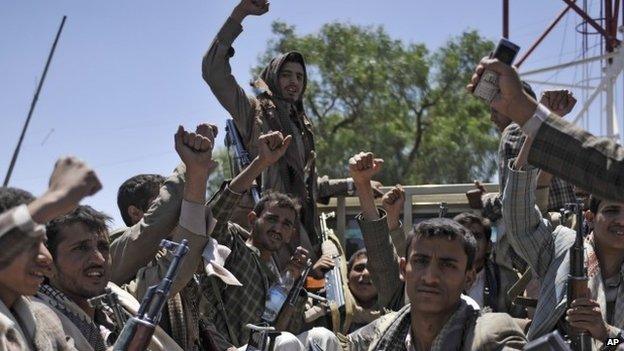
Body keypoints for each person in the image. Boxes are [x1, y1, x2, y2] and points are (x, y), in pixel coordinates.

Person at [202, 0, 381, 269]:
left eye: (299, 76)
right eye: (286, 75)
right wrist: (240, 15)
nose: (293, 82)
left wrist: (354, 185)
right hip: (263, 228)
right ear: (273, 77)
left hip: (296, 229)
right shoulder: (254, 112)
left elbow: (305, 188)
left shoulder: (302, 125)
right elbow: (214, 71)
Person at [34, 125, 219, 351]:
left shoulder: (120, 301)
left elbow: (180, 259)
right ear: (47, 261)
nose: (98, 258)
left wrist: (197, 173)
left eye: (103, 247)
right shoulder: (38, 322)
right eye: (81, 248)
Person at [345, 152, 526, 350]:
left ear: (469, 277)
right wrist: (363, 185)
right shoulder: (383, 331)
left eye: (447, 265)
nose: (430, 277)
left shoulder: (489, 334)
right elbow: (380, 253)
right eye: (421, 261)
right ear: (404, 268)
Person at [199, 131, 339, 350]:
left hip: (266, 345)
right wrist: (261, 162)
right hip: (229, 348)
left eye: (286, 224)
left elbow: (284, 326)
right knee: (287, 343)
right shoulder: (232, 248)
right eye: (272, 219)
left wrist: (294, 277)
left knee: (323, 337)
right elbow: (216, 213)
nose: (278, 228)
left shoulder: (278, 274)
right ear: (253, 219)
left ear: (292, 233)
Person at [503, 136, 624, 348]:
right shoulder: (561, 246)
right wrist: (535, 132)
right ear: (590, 218)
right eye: (611, 211)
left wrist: (605, 333)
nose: (621, 221)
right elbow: (518, 216)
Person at [467, 57, 624, 203]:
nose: (491, 118)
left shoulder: (513, 132)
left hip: (543, 226)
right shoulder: (558, 136)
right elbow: (612, 172)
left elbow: (512, 202)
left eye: (495, 111)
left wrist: (484, 199)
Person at [0, 156, 101, 350]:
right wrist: (52, 199)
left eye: (43, 243)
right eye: (28, 242)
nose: (45, 257)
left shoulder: (46, 319)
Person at [453, 212, 521, 315]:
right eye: (464, 235)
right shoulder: (440, 277)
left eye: (477, 236)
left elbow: (519, 319)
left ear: (488, 245)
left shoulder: (507, 279)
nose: (471, 241)